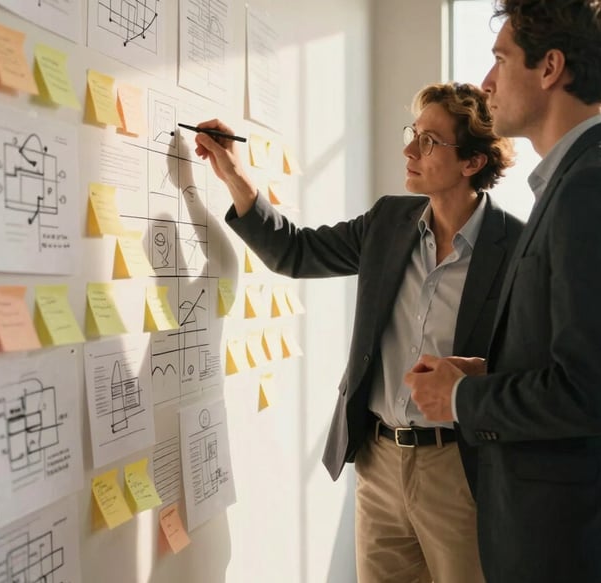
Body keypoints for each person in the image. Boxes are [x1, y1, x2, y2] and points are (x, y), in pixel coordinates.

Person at [192, 82, 523, 583]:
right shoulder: (389, 221)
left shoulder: (517, 247)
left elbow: (533, 364)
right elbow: (296, 253)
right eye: (414, 133)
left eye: (430, 141)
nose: (409, 149)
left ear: (472, 162)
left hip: (463, 468)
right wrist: (236, 176)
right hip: (380, 460)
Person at [404, 2, 601, 583]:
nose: (486, 82)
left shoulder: (598, 187)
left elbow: (592, 393)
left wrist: (461, 401)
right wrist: (488, 374)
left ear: (550, 67)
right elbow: (577, 359)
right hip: (573, 534)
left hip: (581, 545)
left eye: (501, 59)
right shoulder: (583, 180)